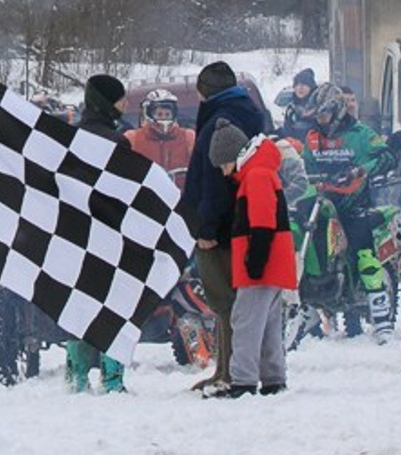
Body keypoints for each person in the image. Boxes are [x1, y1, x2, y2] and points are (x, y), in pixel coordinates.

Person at [180, 61, 266, 395]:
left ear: (205, 91)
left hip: (220, 228)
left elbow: (216, 182)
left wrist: (206, 228)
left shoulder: (220, 121)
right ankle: (227, 369)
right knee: (231, 304)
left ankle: (231, 372)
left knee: (224, 302)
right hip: (237, 222)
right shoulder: (246, 113)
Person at [301, 81, 396, 342]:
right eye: (317, 116)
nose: (320, 120)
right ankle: (305, 305)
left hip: (353, 205)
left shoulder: (361, 134)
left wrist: (361, 170)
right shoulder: (313, 137)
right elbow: (302, 165)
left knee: (363, 251)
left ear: (338, 110)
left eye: (323, 114)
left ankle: (381, 314)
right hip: (319, 205)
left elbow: (388, 157)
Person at [208, 124, 295, 397]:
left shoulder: (255, 176)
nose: (225, 172)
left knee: (245, 322)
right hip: (276, 264)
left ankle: (243, 381)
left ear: (235, 156)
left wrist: (255, 260)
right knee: (268, 325)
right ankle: (273, 379)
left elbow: (262, 223)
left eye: (224, 165)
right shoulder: (263, 171)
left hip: (262, 264)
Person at [65, 74, 132, 393]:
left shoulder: (68, 137)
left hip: (73, 233)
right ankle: (112, 377)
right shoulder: (117, 142)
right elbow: (127, 191)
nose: (125, 104)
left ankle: (76, 376)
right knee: (114, 305)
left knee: (77, 304)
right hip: (110, 233)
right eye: (120, 99)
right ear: (107, 102)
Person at [124, 88, 195, 187]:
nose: (164, 118)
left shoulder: (188, 137)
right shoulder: (133, 138)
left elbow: (199, 166)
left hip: (181, 192)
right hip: (146, 192)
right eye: (159, 114)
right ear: (149, 114)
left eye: (167, 114)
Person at [281, 68, 317, 143]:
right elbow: (287, 132)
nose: (300, 87)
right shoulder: (291, 109)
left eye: (304, 84)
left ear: (311, 87)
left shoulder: (318, 107)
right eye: (297, 84)